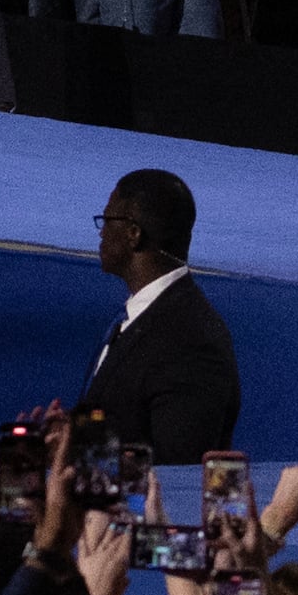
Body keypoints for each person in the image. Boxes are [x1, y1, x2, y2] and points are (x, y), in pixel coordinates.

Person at [83, 163, 240, 453]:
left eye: (107, 220)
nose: (101, 233)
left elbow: (179, 465)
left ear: (133, 233)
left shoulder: (190, 342)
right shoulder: (149, 314)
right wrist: (75, 435)